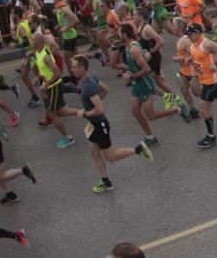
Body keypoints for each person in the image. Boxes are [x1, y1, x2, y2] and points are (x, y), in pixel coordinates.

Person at [61, 55, 153, 193]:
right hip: (93, 125)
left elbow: (100, 109)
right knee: (94, 152)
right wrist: (93, 106)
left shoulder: (88, 86)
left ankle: (138, 150)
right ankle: (106, 181)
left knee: (110, 156)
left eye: (74, 67)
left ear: (82, 68)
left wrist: (85, 113)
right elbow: (106, 90)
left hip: (99, 125)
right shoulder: (91, 78)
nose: (71, 69)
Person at [119, 23, 188, 145]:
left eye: (119, 33)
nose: (117, 34)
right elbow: (134, 67)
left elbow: (146, 69)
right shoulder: (127, 47)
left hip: (144, 84)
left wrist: (132, 76)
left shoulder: (134, 49)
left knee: (151, 116)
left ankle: (177, 109)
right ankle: (150, 137)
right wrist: (130, 74)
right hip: (137, 83)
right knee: (135, 111)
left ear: (125, 34)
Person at [29, 33, 75, 149]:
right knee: (58, 111)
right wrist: (37, 77)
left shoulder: (45, 56)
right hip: (50, 86)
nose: (31, 41)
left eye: (33, 39)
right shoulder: (38, 53)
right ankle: (82, 113)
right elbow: (44, 71)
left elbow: (58, 74)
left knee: (51, 113)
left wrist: (46, 85)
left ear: (38, 43)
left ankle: (68, 138)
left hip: (54, 86)